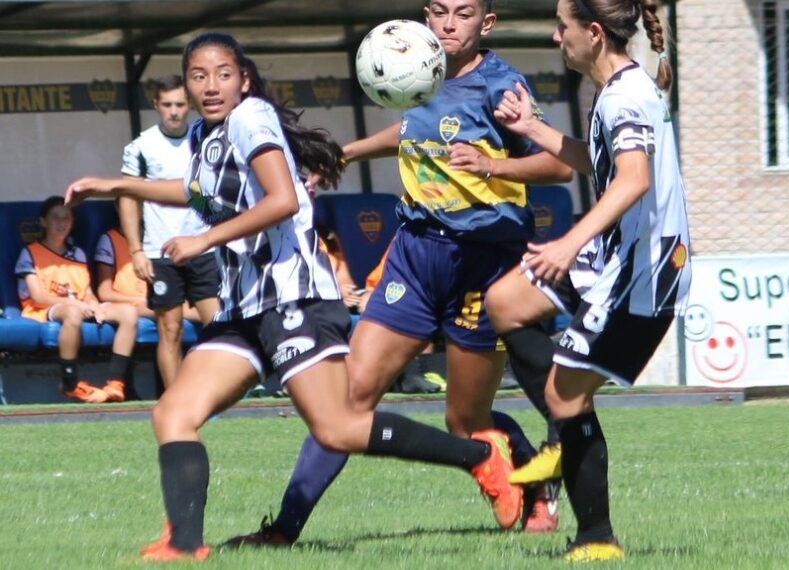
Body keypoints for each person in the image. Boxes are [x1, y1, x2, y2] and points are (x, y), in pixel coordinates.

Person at [65, 31, 521, 563]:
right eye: (198, 76)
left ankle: (480, 456)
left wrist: (204, 239)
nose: (210, 86)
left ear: (245, 80)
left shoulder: (251, 118)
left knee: (337, 427)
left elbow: (282, 200)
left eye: (222, 74)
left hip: (293, 299)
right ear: (186, 87)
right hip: (244, 308)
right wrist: (119, 186)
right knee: (173, 413)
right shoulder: (203, 136)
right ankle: (184, 544)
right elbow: (196, 192)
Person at [226, 0, 574, 548]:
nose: (448, 24)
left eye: (463, 13)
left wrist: (494, 165)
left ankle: (532, 479)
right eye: (438, 11)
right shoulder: (418, 66)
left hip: (483, 265)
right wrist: (344, 154)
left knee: (464, 422)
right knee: (348, 402)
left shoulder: (502, 85)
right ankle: (284, 532)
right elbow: (414, 128)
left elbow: (559, 163)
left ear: (486, 24)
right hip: (414, 256)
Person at [485, 0, 691, 561]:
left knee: (563, 393)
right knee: (504, 303)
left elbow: (633, 180)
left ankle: (597, 537)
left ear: (594, 34)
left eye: (563, 27)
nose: (557, 38)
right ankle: (561, 434)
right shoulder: (619, 87)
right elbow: (600, 163)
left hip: (644, 274)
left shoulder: (624, 96)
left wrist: (567, 242)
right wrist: (532, 129)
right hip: (614, 258)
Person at [118, 74, 219, 391]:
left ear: (189, 104)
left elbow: (212, 193)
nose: (174, 111)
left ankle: (216, 393)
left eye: (180, 104)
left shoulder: (205, 140)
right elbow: (128, 197)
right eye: (167, 105)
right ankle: (178, 401)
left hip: (204, 249)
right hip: (160, 253)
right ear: (156, 106)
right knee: (170, 329)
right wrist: (135, 249)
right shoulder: (141, 147)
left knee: (219, 325)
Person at [15, 196, 140, 403]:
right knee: (72, 313)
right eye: (55, 218)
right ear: (43, 222)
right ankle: (70, 382)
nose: (61, 223)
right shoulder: (30, 253)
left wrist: (93, 304)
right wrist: (77, 304)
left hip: (80, 304)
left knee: (129, 312)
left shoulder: (78, 253)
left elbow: (87, 290)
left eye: (67, 218)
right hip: (44, 308)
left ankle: (115, 383)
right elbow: (39, 296)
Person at [95, 205, 202, 322]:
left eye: (140, 205)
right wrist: (139, 299)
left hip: (157, 297)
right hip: (129, 304)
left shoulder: (153, 239)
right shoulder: (109, 239)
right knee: (173, 311)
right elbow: (104, 293)